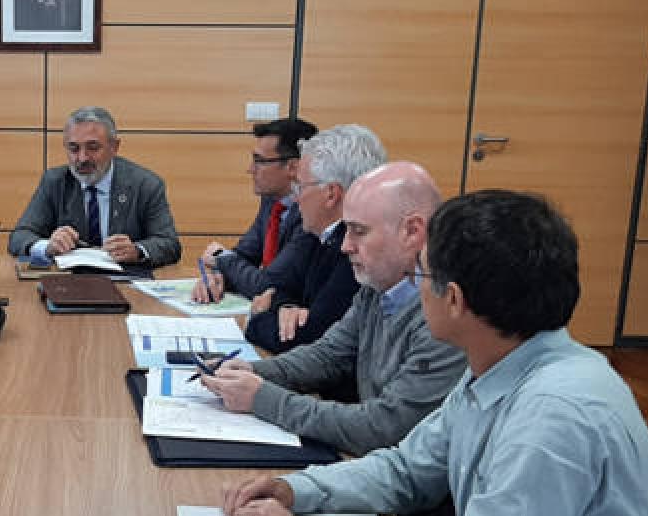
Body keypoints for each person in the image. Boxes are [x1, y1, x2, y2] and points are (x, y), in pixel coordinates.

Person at [219, 190, 648, 516]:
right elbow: (406, 469)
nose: (414, 285)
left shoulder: (556, 415)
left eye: (420, 271)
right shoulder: (502, 364)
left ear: (455, 299)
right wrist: (294, 490)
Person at [201, 161, 466, 456]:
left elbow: (383, 428)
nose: (345, 246)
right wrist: (253, 371)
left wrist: (263, 398)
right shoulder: (376, 288)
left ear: (412, 232)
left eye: (359, 232)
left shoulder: (446, 317)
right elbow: (329, 355)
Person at [238, 124, 381, 353]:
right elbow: (279, 287)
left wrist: (257, 319)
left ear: (331, 194)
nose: (296, 199)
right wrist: (287, 306)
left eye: (301, 187)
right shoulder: (320, 234)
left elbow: (306, 339)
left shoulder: (356, 250)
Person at [8, 106, 182, 269]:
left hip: (127, 283)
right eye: (74, 148)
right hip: (69, 283)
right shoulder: (55, 181)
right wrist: (47, 246)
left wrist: (137, 251)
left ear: (114, 147)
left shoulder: (145, 184)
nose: (82, 158)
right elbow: (19, 237)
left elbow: (170, 244)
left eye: (92, 147)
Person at [192, 117, 318, 303]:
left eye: (259, 161)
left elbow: (268, 285)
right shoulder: (271, 201)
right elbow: (244, 254)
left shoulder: (312, 213)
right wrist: (215, 277)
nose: (250, 169)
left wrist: (220, 257)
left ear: (292, 167)